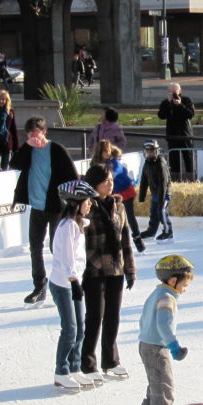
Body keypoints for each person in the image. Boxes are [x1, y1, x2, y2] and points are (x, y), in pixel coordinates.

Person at [11, 117, 79, 306]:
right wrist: (26, 146)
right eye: (30, 133)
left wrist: (73, 204)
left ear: (44, 131)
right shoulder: (28, 151)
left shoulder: (56, 150)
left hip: (56, 207)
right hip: (37, 207)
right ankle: (39, 286)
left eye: (36, 132)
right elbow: (14, 164)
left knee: (57, 247)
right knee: (35, 247)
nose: (33, 136)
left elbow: (73, 177)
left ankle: (66, 283)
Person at [81, 164, 135, 384]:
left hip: (116, 269)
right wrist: (91, 263)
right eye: (105, 181)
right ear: (94, 184)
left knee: (113, 317)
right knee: (95, 318)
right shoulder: (85, 207)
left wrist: (129, 269)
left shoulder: (118, 206)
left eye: (111, 180)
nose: (110, 184)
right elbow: (79, 242)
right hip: (93, 271)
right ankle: (87, 363)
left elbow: (125, 240)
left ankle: (110, 361)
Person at [131, 255, 193, 405]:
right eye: (185, 284)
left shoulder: (157, 293)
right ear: (173, 280)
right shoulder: (167, 298)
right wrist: (174, 346)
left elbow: (144, 319)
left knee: (155, 384)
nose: (185, 288)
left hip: (146, 344)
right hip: (157, 348)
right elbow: (163, 325)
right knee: (165, 389)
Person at [48, 179, 99, 393]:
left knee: (81, 327)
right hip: (63, 284)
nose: (90, 205)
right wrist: (74, 281)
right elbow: (67, 258)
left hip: (73, 282)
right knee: (70, 329)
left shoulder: (76, 224)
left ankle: (75, 367)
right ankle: (61, 372)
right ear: (76, 202)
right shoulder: (68, 226)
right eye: (87, 201)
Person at [92, 139, 144, 253]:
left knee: (130, 218)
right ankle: (113, 241)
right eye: (105, 151)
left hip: (124, 192)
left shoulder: (114, 163)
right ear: (100, 152)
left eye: (109, 150)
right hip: (110, 193)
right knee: (111, 218)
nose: (107, 153)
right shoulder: (96, 164)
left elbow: (112, 175)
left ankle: (139, 242)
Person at [157, 83, 195, 179]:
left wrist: (180, 105)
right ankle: (175, 178)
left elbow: (190, 114)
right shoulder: (165, 103)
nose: (173, 94)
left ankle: (191, 177)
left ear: (180, 91)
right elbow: (161, 115)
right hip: (172, 135)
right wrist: (169, 103)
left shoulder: (186, 100)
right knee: (174, 160)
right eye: (170, 92)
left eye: (175, 92)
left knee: (188, 158)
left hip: (185, 135)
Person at [139, 140, 174, 242]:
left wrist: (161, 198)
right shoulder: (147, 163)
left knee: (162, 212)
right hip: (155, 193)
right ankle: (151, 231)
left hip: (164, 194)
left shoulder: (161, 164)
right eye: (147, 152)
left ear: (157, 151)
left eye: (152, 151)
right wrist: (142, 196)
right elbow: (144, 180)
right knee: (153, 213)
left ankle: (168, 231)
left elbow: (164, 182)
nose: (149, 154)